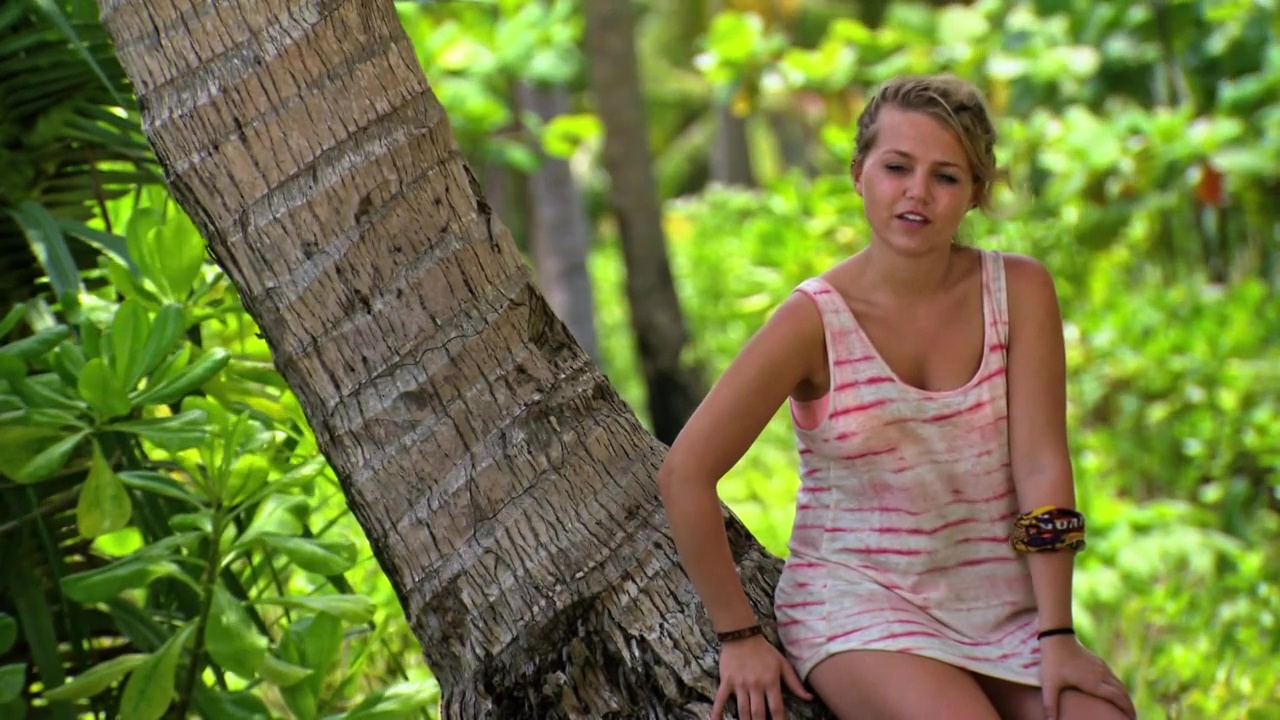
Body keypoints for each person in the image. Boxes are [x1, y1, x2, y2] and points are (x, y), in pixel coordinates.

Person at [655, 74, 1139, 720]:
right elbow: (685, 473)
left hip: (1006, 614)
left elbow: (1041, 465)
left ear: (976, 193)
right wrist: (738, 635)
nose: (918, 192)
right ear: (859, 174)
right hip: (860, 609)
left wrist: (1056, 632)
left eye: (946, 176)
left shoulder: (1019, 292)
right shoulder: (813, 321)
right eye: (897, 167)